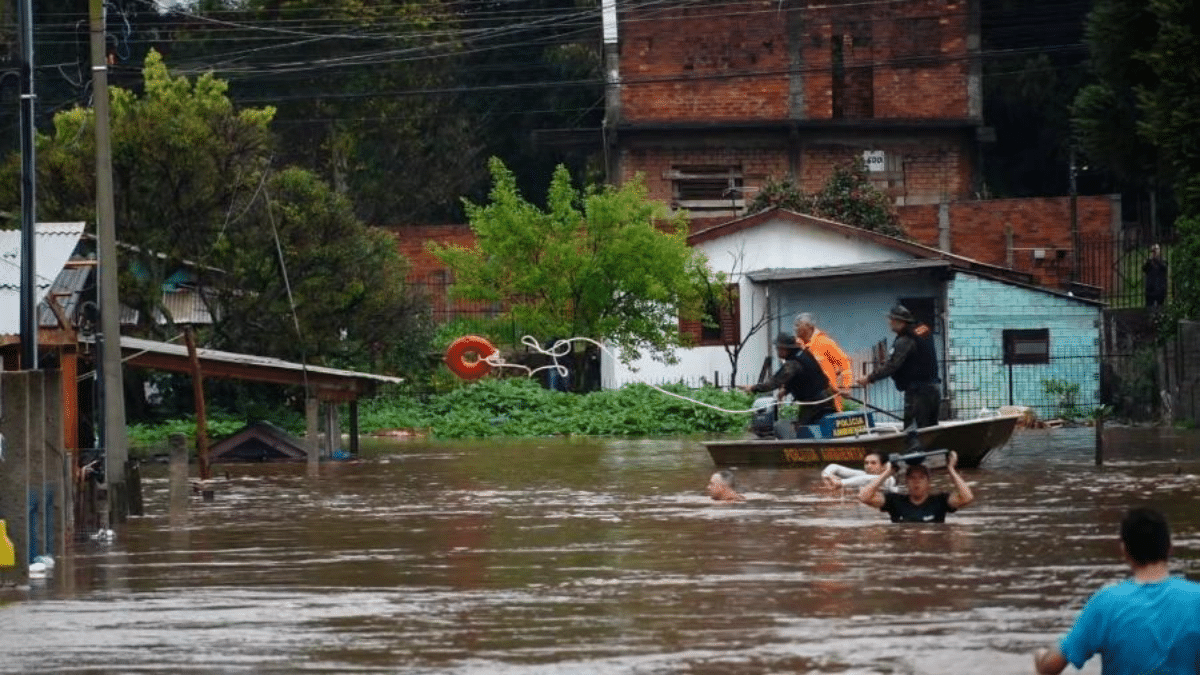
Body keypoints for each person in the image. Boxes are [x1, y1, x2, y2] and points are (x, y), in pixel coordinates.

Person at [1032, 507, 1200, 675]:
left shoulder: (1105, 602)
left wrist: (1039, 657)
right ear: (1170, 547)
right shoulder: (1196, 599)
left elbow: (1051, 667)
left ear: (1125, 551)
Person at [855, 304, 940, 429]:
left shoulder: (905, 340)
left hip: (918, 392)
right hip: (934, 389)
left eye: (891, 320)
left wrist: (869, 378)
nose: (889, 323)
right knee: (930, 430)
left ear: (899, 321)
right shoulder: (922, 330)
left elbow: (892, 365)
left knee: (914, 432)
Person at [739, 332, 836, 427]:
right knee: (825, 429)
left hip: (815, 402)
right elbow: (804, 376)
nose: (777, 350)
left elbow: (774, 382)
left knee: (802, 430)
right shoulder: (803, 354)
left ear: (785, 349)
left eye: (778, 348)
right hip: (824, 398)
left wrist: (752, 388)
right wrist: (786, 390)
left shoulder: (792, 363)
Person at [857, 450, 973, 522]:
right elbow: (864, 497)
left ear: (928, 482)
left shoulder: (940, 501)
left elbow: (967, 497)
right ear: (906, 481)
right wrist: (888, 472)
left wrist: (951, 469)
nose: (916, 482)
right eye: (912, 478)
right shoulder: (895, 501)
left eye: (921, 478)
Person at [794, 313, 853, 412]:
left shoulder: (824, 343)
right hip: (807, 400)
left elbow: (844, 363)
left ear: (809, 326)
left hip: (828, 399)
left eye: (798, 325)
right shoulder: (797, 347)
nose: (795, 328)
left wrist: (845, 387)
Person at [821, 450, 896, 492]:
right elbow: (834, 466)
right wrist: (828, 475)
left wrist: (841, 483)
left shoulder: (889, 480)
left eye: (873, 463)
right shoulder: (863, 474)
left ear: (884, 466)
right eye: (866, 463)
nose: (869, 466)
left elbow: (866, 479)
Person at [1143, 243, 1168, 308]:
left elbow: (1164, 268)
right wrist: (1149, 261)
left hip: (1160, 288)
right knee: (1149, 306)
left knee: (1160, 306)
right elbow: (1144, 269)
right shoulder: (1149, 261)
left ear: (1159, 250)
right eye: (1153, 250)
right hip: (1150, 288)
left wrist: (1156, 260)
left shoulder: (1162, 260)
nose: (1154, 252)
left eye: (1156, 250)